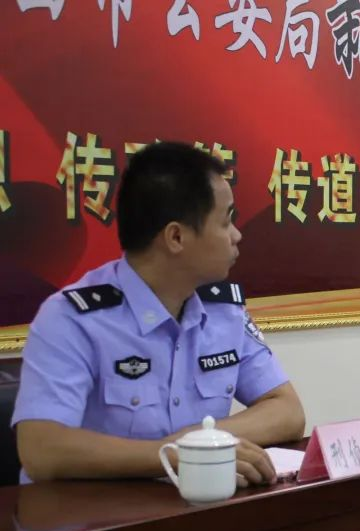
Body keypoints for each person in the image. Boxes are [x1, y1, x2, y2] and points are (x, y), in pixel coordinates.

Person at [12, 142, 305, 484]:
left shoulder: (223, 311)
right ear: (176, 237)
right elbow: (42, 450)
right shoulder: (71, 319)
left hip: (195, 508)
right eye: (226, 221)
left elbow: (287, 410)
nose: (237, 235)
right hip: (91, 514)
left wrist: (202, 440)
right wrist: (172, 455)